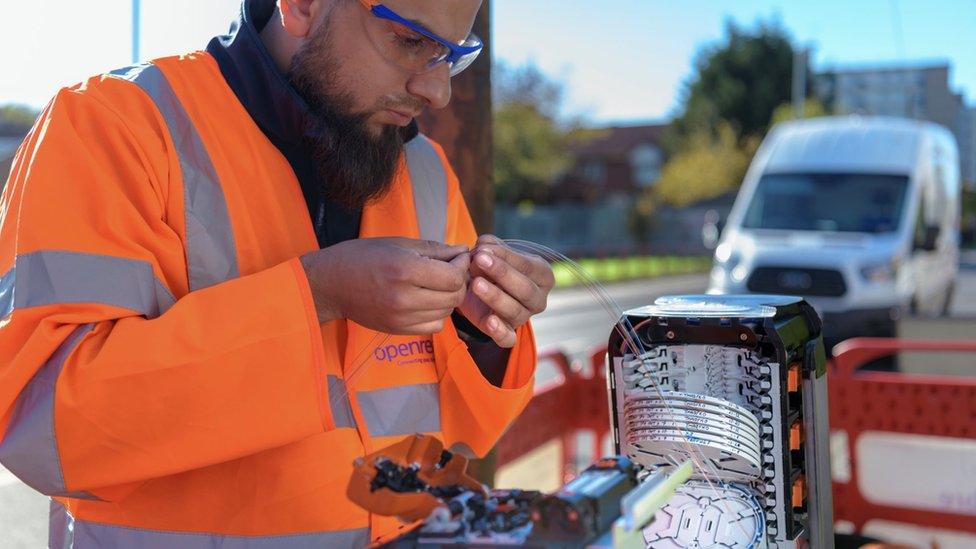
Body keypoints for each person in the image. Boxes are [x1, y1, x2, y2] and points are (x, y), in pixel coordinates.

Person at [0, 0, 554, 545]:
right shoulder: (113, 126)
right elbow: (47, 428)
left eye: (452, 56)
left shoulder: (425, 168)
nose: (437, 92)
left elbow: (452, 432)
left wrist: (481, 331)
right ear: (303, 6)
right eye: (411, 42)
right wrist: (314, 295)